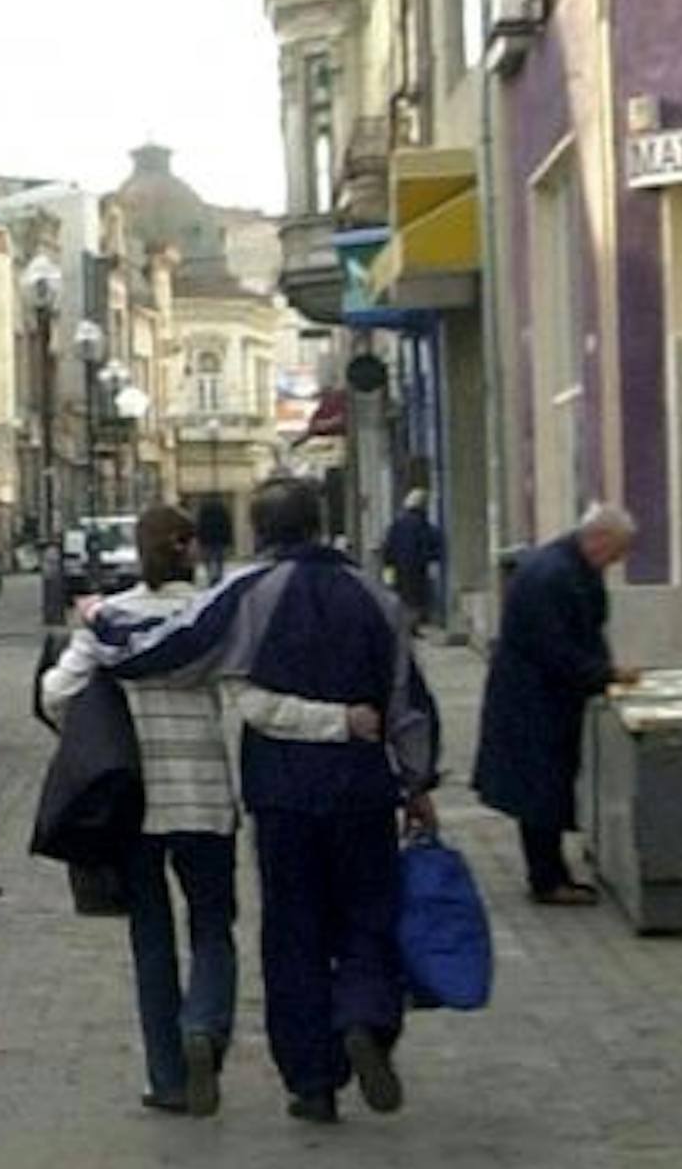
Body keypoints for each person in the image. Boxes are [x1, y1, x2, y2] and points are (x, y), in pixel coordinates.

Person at [90, 475, 434, 1124]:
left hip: (281, 791)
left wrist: (102, 632)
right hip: (361, 784)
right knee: (367, 913)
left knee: (293, 927)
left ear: (261, 530)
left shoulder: (249, 591)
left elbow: (173, 649)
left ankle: (311, 1079)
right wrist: (417, 781)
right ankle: (364, 1016)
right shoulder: (373, 594)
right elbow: (407, 698)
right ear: (318, 522)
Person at [472, 503, 639, 903]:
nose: (618, 560)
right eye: (617, 550)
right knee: (540, 788)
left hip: (544, 697)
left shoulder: (572, 569)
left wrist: (603, 671)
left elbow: (587, 634)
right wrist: (606, 675)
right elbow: (556, 650)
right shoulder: (553, 576)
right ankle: (547, 879)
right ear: (597, 539)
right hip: (533, 701)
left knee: (546, 785)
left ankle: (551, 872)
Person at [379, 482, 443, 636]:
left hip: (399, 567)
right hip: (416, 566)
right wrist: (431, 557)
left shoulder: (397, 522)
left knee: (402, 597)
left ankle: (404, 625)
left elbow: (388, 546)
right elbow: (430, 542)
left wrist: (388, 564)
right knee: (416, 598)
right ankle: (412, 627)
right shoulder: (421, 523)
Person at [193, 496, 234, 588]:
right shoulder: (222, 512)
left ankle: (210, 575)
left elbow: (199, 526)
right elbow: (227, 526)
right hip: (218, 539)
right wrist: (228, 541)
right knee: (218, 560)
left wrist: (199, 538)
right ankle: (218, 577)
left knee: (207, 559)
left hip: (206, 540)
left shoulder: (203, 513)